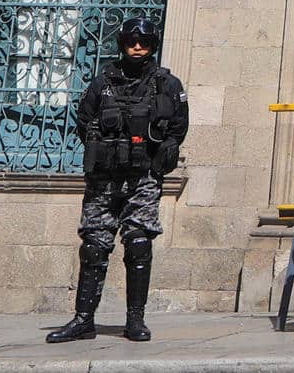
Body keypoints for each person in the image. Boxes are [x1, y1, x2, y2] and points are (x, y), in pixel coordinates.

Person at [45, 17, 188, 344]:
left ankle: (135, 320)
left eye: (145, 43)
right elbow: (84, 121)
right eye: (131, 42)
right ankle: (84, 320)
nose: (138, 48)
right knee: (94, 247)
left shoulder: (168, 85)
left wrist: (157, 147)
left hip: (142, 178)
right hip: (104, 179)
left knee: (139, 244)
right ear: (122, 44)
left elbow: (179, 128)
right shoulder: (103, 83)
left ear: (153, 46)